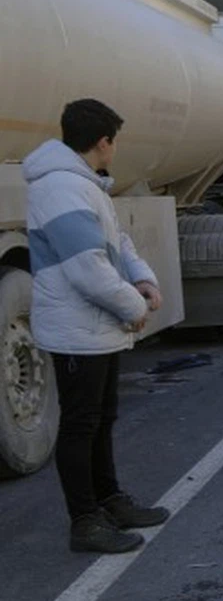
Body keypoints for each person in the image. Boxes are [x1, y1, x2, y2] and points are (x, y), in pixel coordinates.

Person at [23, 99, 170, 553]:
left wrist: (144, 279)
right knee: (81, 424)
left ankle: (109, 500)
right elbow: (86, 265)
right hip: (75, 328)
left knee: (101, 419)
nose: (114, 150)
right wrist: (132, 306)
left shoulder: (86, 186)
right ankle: (85, 521)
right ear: (103, 142)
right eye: (113, 143)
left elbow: (116, 242)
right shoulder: (61, 188)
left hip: (93, 326)